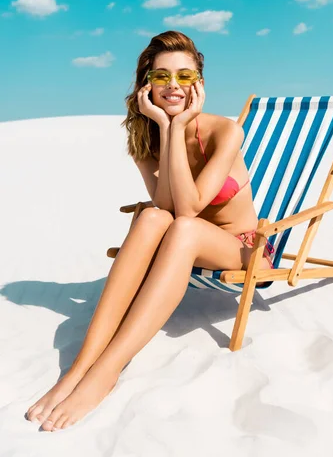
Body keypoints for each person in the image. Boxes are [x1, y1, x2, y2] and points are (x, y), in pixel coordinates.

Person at [25, 30, 273, 432]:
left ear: (200, 85)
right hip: (182, 236)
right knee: (154, 218)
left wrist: (178, 127)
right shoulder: (145, 137)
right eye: (161, 76)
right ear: (146, 84)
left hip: (243, 250)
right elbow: (167, 207)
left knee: (183, 228)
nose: (173, 85)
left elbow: (190, 208)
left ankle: (106, 371)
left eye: (185, 76)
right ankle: (78, 369)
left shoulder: (225, 131)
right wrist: (164, 127)